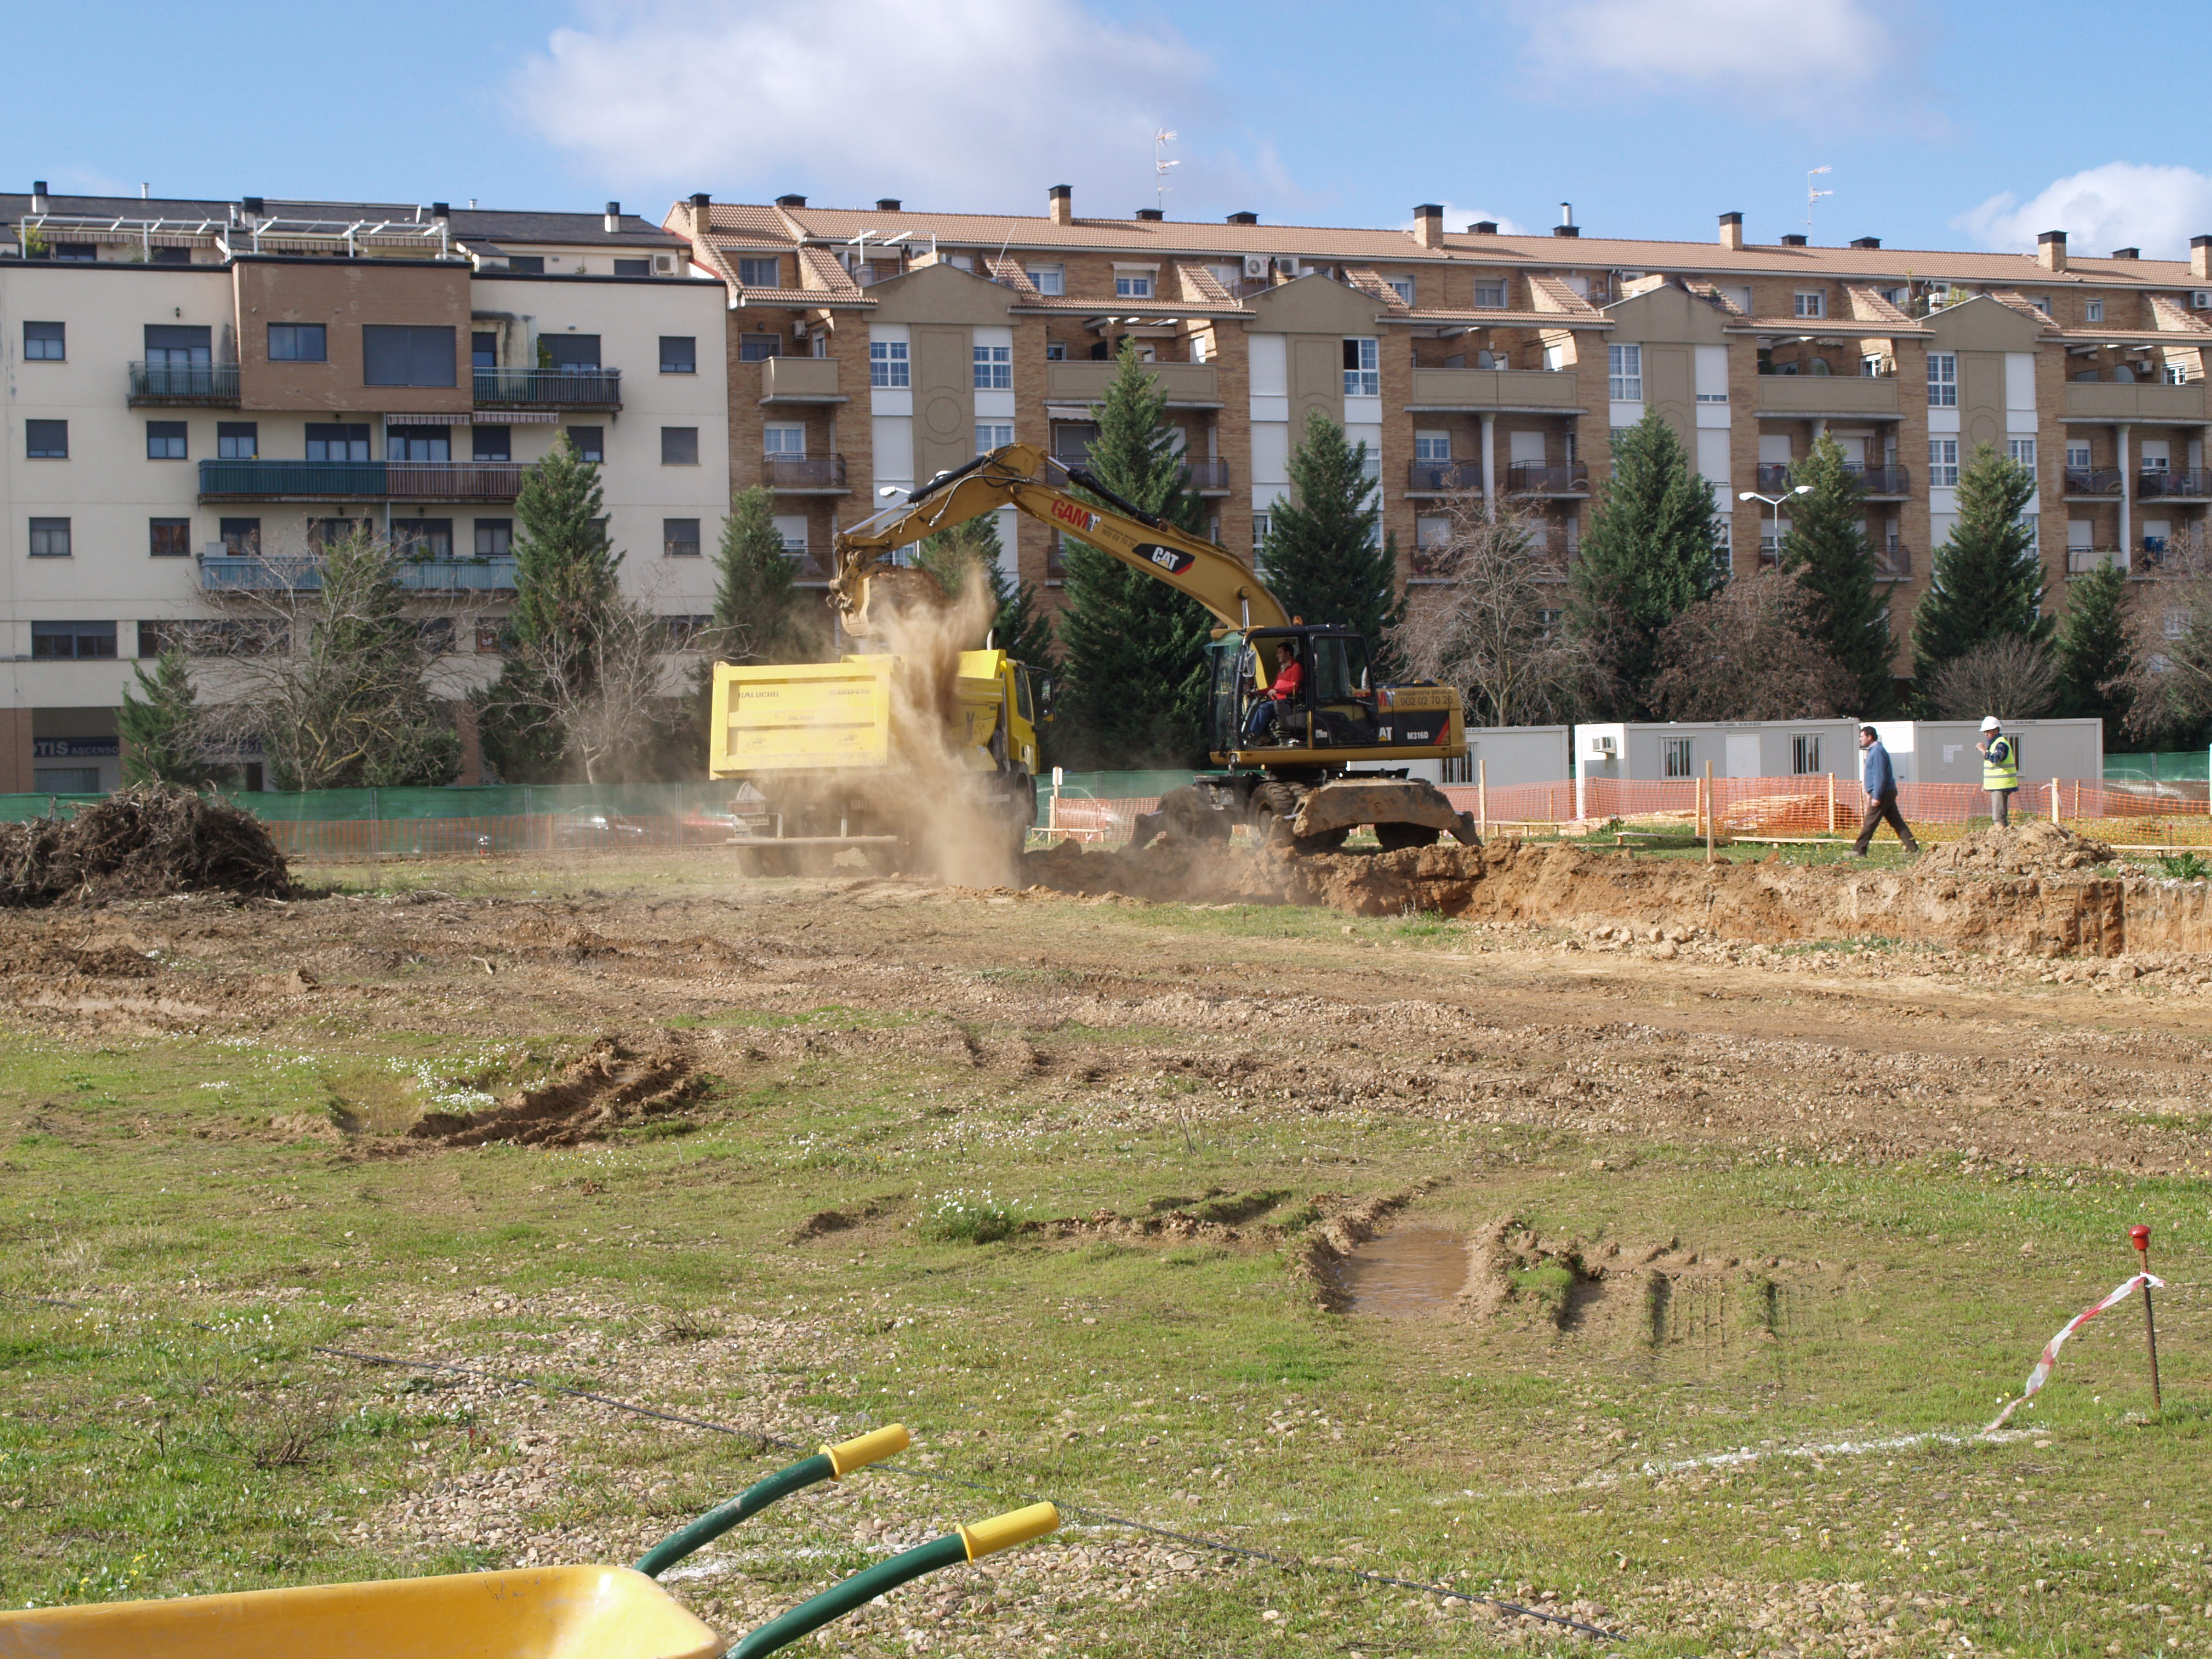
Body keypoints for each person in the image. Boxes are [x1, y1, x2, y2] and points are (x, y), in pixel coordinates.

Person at [1852, 723, 1920, 857]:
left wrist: (1876, 796)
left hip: (1883, 793)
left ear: (1870, 737)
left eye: (1862, 736)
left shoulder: (1877, 752)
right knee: (1896, 821)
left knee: (1870, 822)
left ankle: (1859, 850)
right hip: (1884, 792)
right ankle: (1912, 849)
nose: (1860, 739)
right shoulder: (1875, 751)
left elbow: (1879, 775)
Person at [1242, 638, 1304, 742]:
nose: (1277, 655)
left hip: (1286, 701)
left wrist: (1278, 691)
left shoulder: (1296, 668)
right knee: (1255, 706)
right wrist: (1259, 692)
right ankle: (1253, 733)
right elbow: (1273, 687)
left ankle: (1253, 735)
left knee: (1263, 708)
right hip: (1276, 699)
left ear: (1288, 653)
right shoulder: (1282, 669)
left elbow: (1294, 687)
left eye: (1280, 653)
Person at [1977, 714, 2019, 826]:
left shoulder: (2000, 744)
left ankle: (2000, 832)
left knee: (1998, 816)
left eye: (1988, 731)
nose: (1986, 734)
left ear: (1996, 730)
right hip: (1997, 785)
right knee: (1999, 814)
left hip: (2001, 785)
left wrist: (1983, 750)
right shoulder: (1994, 744)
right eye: (1985, 732)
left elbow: (1995, 760)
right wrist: (1987, 784)